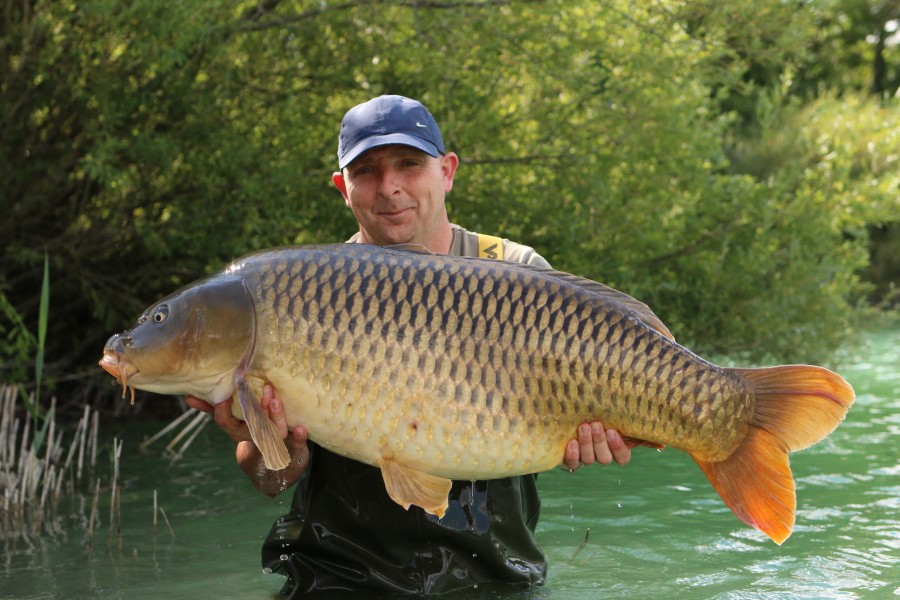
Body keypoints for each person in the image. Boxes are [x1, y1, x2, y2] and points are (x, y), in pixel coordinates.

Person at [187, 95, 632, 597]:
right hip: (338, 577)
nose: (390, 187)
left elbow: (566, 434)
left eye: (409, 164)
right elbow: (271, 480)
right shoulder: (302, 292)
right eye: (367, 170)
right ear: (343, 187)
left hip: (494, 573)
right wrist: (276, 449)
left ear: (447, 171)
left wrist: (583, 441)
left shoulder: (517, 271)